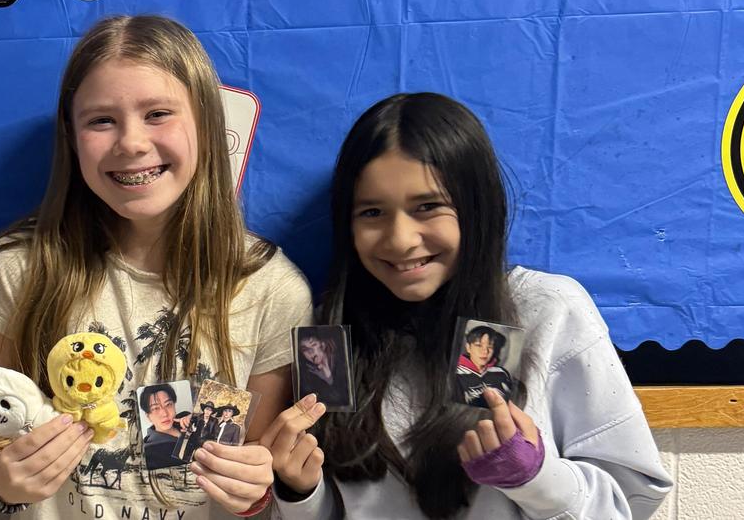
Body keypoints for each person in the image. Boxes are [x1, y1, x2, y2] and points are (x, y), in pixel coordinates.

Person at [0, 14, 312, 519]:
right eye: (101, 120)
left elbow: (258, 466)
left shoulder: (270, 288)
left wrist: (256, 486)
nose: (132, 143)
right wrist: (0, 480)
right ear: (72, 137)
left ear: (208, 127)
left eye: (158, 113)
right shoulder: (15, 272)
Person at [261, 93, 673, 519]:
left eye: (427, 206)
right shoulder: (328, 336)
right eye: (371, 212)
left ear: (476, 206)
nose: (400, 239)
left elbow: (631, 504)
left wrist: (537, 477)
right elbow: (349, 503)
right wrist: (300, 493)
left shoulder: (545, 310)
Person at [455, 325, 516, 406]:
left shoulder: (501, 373)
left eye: (490, 347)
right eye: (479, 345)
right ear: (468, 347)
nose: (485, 351)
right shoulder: (456, 374)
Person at [297, 331, 349, 407]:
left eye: (313, 344)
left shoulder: (340, 361)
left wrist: (328, 378)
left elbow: (343, 400)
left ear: (323, 344)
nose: (310, 351)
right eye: (305, 349)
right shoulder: (307, 373)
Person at [138, 384, 182, 469]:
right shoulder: (149, 454)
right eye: (155, 408)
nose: (165, 414)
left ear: (174, 405)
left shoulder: (186, 419)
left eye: (168, 404)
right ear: (148, 416)